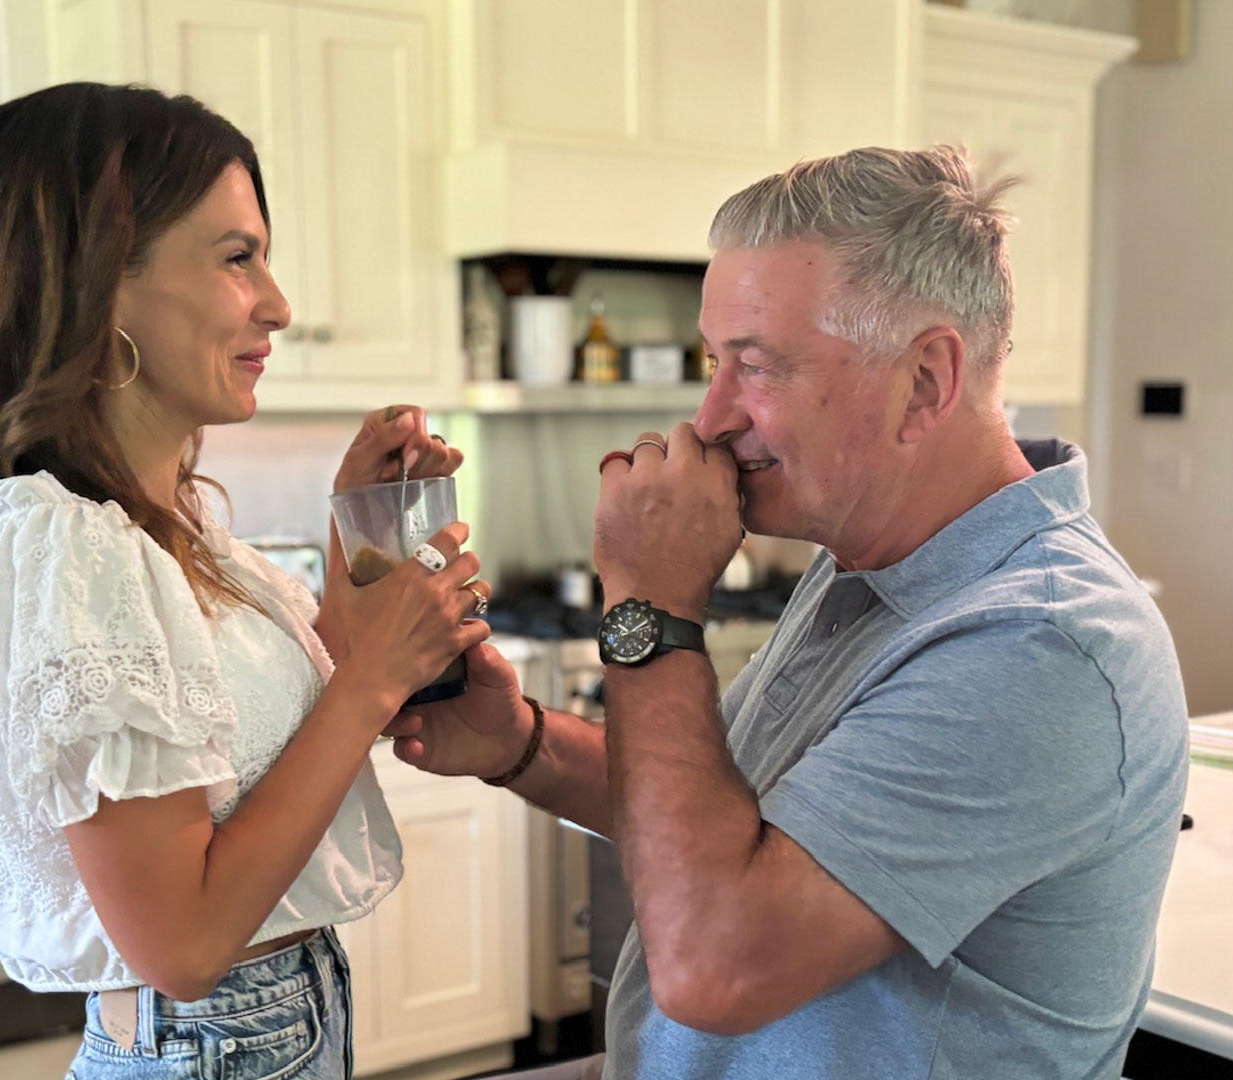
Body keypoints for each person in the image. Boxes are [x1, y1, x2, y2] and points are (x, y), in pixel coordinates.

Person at [387, 146, 1189, 1080]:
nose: (711, 419)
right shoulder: (864, 557)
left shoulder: (1040, 644)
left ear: (926, 381)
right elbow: (731, 828)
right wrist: (522, 745)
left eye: (757, 367)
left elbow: (714, 966)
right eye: (713, 364)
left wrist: (650, 605)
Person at [0, 83, 491, 1080]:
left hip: (271, 1024)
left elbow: (265, 753)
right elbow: (183, 945)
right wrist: (374, 677)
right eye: (237, 257)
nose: (278, 306)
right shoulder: (72, 552)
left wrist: (359, 548)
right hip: (212, 1043)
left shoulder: (165, 531)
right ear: (98, 283)